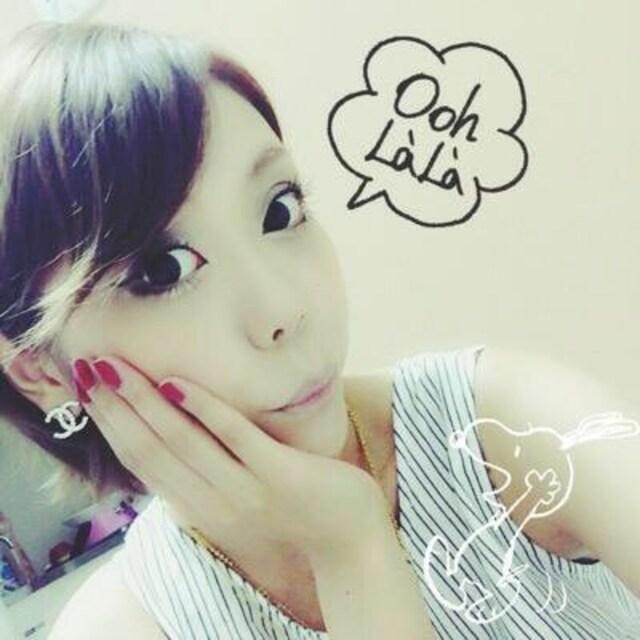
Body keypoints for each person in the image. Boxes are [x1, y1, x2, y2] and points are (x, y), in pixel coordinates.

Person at [0, 21, 638, 640]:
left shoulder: (504, 423)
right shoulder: (124, 626)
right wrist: (350, 550)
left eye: (279, 210)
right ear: (39, 369)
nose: (283, 310)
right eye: (162, 270)